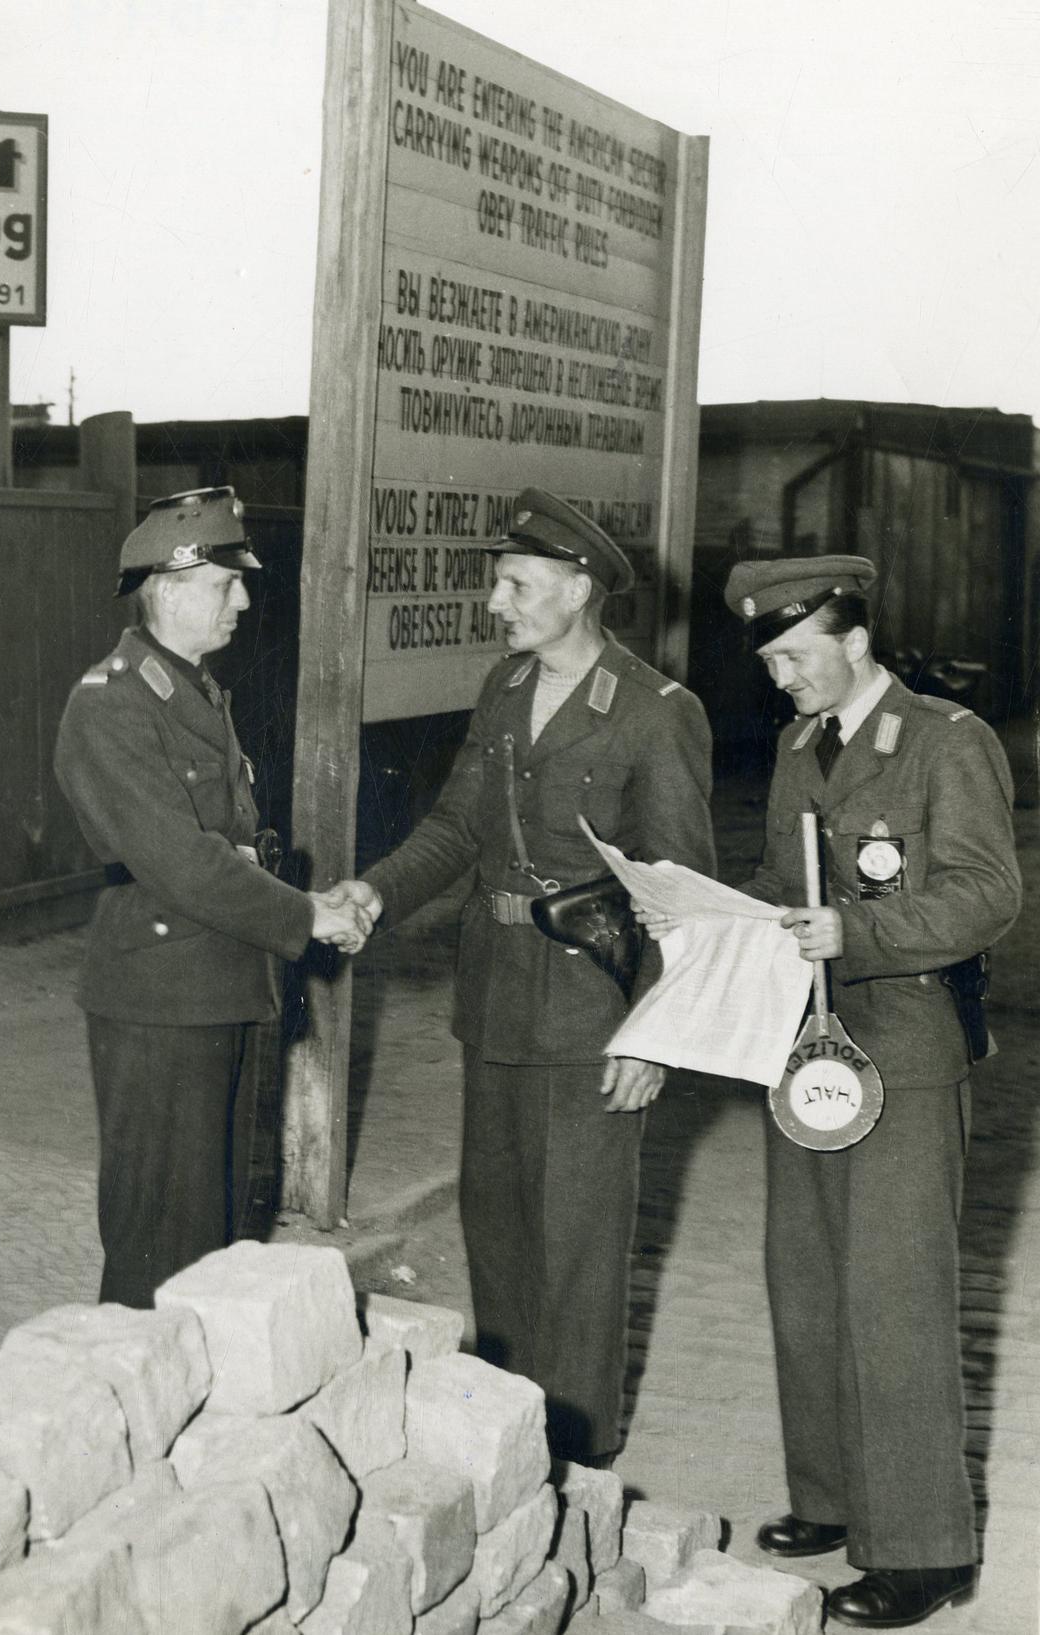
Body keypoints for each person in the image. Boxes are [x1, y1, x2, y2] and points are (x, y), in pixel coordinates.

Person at [329, 488, 716, 1466]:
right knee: (496, 1229)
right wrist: (378, 890)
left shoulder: (652, 714)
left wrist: (655, 1034)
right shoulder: (505, 689)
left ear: (578, 588)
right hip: (495, 998)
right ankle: (507, 1445)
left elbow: (685, 896)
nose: (497, 601)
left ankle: (577, 1460)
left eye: (515, 584)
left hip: (593, 1008)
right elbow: (460, 826)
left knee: (579, 1253)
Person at [713, 555, 1021, 1628]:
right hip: (808, 1046)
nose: (780, 678)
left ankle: (926, 1550)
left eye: (793, 656)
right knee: (808, 1279)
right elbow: (779, 884)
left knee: (895, 1295)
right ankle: (835, 1497)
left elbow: (988, 894)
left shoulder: (946, 739)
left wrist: (862, 932)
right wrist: (709, 911)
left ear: (852, 639)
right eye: (768, 661)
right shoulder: (803, 743)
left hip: (905, 1039)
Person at [54, 486, 369, 1309]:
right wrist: (303, 914)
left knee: (220, 1232)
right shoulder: (112, 702)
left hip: (220, 985)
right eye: (226, 583)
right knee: (160, 1240)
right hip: (160, 999)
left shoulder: (192, 689)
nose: (245, 597)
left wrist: (290, 896)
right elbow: (180, 860)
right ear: (168, 583)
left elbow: (224, 847)